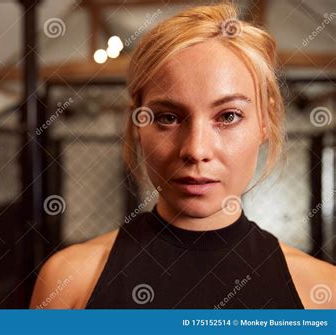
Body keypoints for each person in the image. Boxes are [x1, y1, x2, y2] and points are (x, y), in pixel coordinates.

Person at [29, 2, 335, 309]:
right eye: (167, 117)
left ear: (265, 122)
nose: (195, 150)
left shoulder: (324, 293)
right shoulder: (68, 283)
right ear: (138, 124)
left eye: (228, 116)